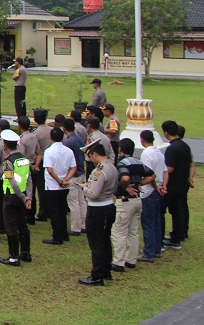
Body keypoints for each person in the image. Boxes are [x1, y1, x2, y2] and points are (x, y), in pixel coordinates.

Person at [111, 138, 154, 272]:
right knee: (133, 231)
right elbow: (152, 175)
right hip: (137, 200)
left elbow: (125, 177)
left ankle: (119, 262)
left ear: (120, 149)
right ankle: (131, 260)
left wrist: (126, 187)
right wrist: (140, 183)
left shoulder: (122, 163)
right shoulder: (138, 162)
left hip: (125, 201)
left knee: (119, 231)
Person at [78, 140, 118, 286]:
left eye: (90, 156)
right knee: (105, 240)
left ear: (95, 154)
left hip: (97, 209)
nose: (90, 159)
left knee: (96, 244)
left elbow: (94, 194)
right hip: (108, 205)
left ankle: (97, 275)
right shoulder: (112, 167)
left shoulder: (99, 171)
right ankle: (106, 270)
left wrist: (85, 188)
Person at [0, 129, 33, 266]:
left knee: (11, 227)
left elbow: (11, 182)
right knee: (22, 224)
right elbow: (29, 179)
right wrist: (28, 197)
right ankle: (25, 253)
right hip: (22, 194)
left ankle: (13, 257)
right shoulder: (24, 159)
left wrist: (23, 197)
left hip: (11, 196)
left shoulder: (7, 162)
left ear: (5, 144)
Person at [161, 120, 193, 248]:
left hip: (172, 185)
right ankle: (178, 236)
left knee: (161, 209)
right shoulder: (185, 146)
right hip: (182, 183)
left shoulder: (172, 148)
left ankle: (167, 238)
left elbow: (170, 168)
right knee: (178, 210)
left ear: (166, 132)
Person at [42, 127, 75, 245]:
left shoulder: (49, 151)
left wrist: (59, 181)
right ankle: (64, 233)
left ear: (50, 137)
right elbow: (73, 167)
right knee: (62, 209)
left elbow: (50, 169)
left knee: (54, 211)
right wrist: (65, 179)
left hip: (53, 185)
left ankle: (57, 236)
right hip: (64, 184)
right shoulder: (68, 151)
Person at [138, 129, 167, 262]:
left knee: (148, 222)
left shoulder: (146, 154)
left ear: (142, 140)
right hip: (158, 189)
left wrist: (154, 186)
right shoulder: (159, 153)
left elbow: (150, 175)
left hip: (149, 190)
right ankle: (156, 249)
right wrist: (163, 186)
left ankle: (149, 252)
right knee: (156, 221)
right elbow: (165, 171)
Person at [61, 118, 87, 236]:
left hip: (73, 174)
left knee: (73, 201)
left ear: (64, 128)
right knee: (81, 200)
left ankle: (75, 228)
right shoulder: (79, 139)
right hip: (81, 172)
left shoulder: (68, 142)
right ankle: (83, 225)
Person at [15, 116, 41, 224]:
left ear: (19, 126)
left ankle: (26, 214)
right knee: (32, 190)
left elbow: (22, 156)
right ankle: (31, 214)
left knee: (24, 191)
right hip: (33, 164)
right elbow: (39, 153)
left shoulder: (21, 139)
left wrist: (32, 166)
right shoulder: (34, 137)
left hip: (25, 167)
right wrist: (36, 165)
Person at [31, 111, 53, 222]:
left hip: (41, 161)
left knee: (41, 188)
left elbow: (36, 150)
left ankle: (43, 212)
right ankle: (49, 210)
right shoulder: (51, 130)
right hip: (51, 161)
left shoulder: (36, 133)